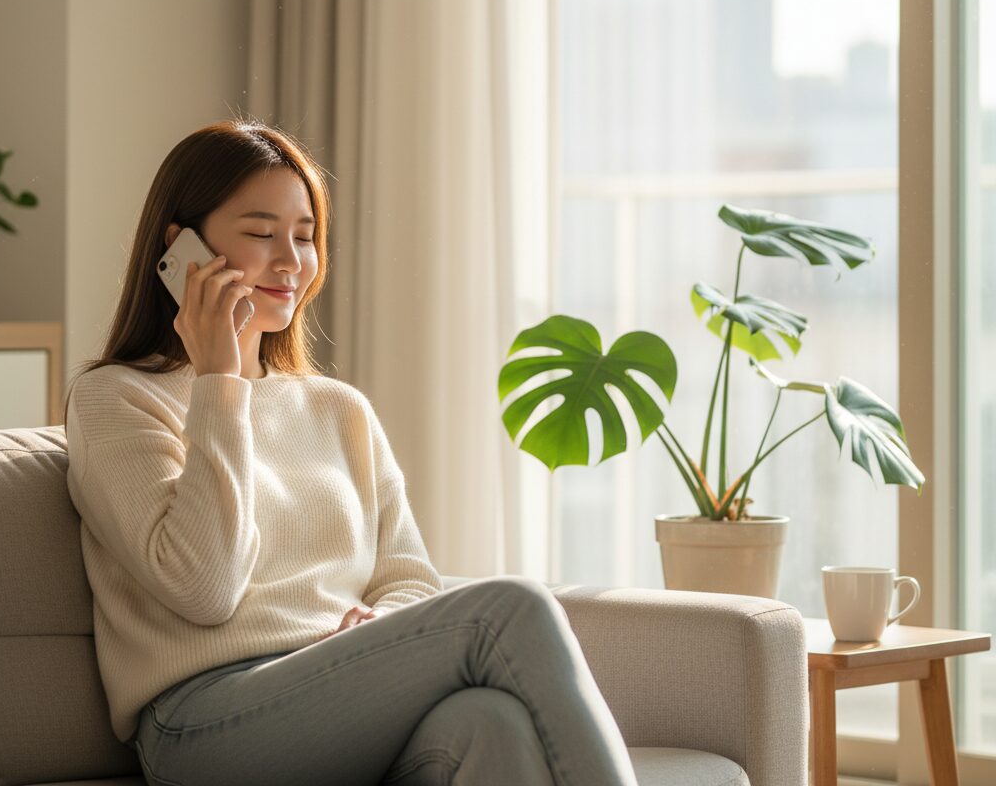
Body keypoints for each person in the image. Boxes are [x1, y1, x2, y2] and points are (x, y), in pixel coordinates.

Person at [64, 119, 640, 786]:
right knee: (512, 609)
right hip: (203, 722)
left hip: (337, 691)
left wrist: (375, 630)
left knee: (490, 724)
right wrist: (218, 381)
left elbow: (409, 579)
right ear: (181, 247)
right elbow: (205, 589)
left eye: (304, 236)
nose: (290, 261)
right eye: (259, 233)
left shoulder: (338, 409)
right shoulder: (115, 400)